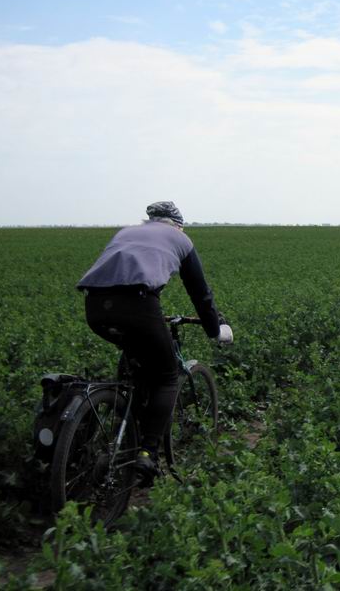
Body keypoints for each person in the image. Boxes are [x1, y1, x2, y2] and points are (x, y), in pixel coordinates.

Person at [77, 201, 232, 485]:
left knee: (135, 360)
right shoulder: (181, 239)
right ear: (178, 224)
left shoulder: (127, 232)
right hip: (138, 305)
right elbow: (201, 294)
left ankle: (123, 426)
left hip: (95, 307)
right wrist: (215, 330)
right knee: (168, 376)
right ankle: (147, 453)